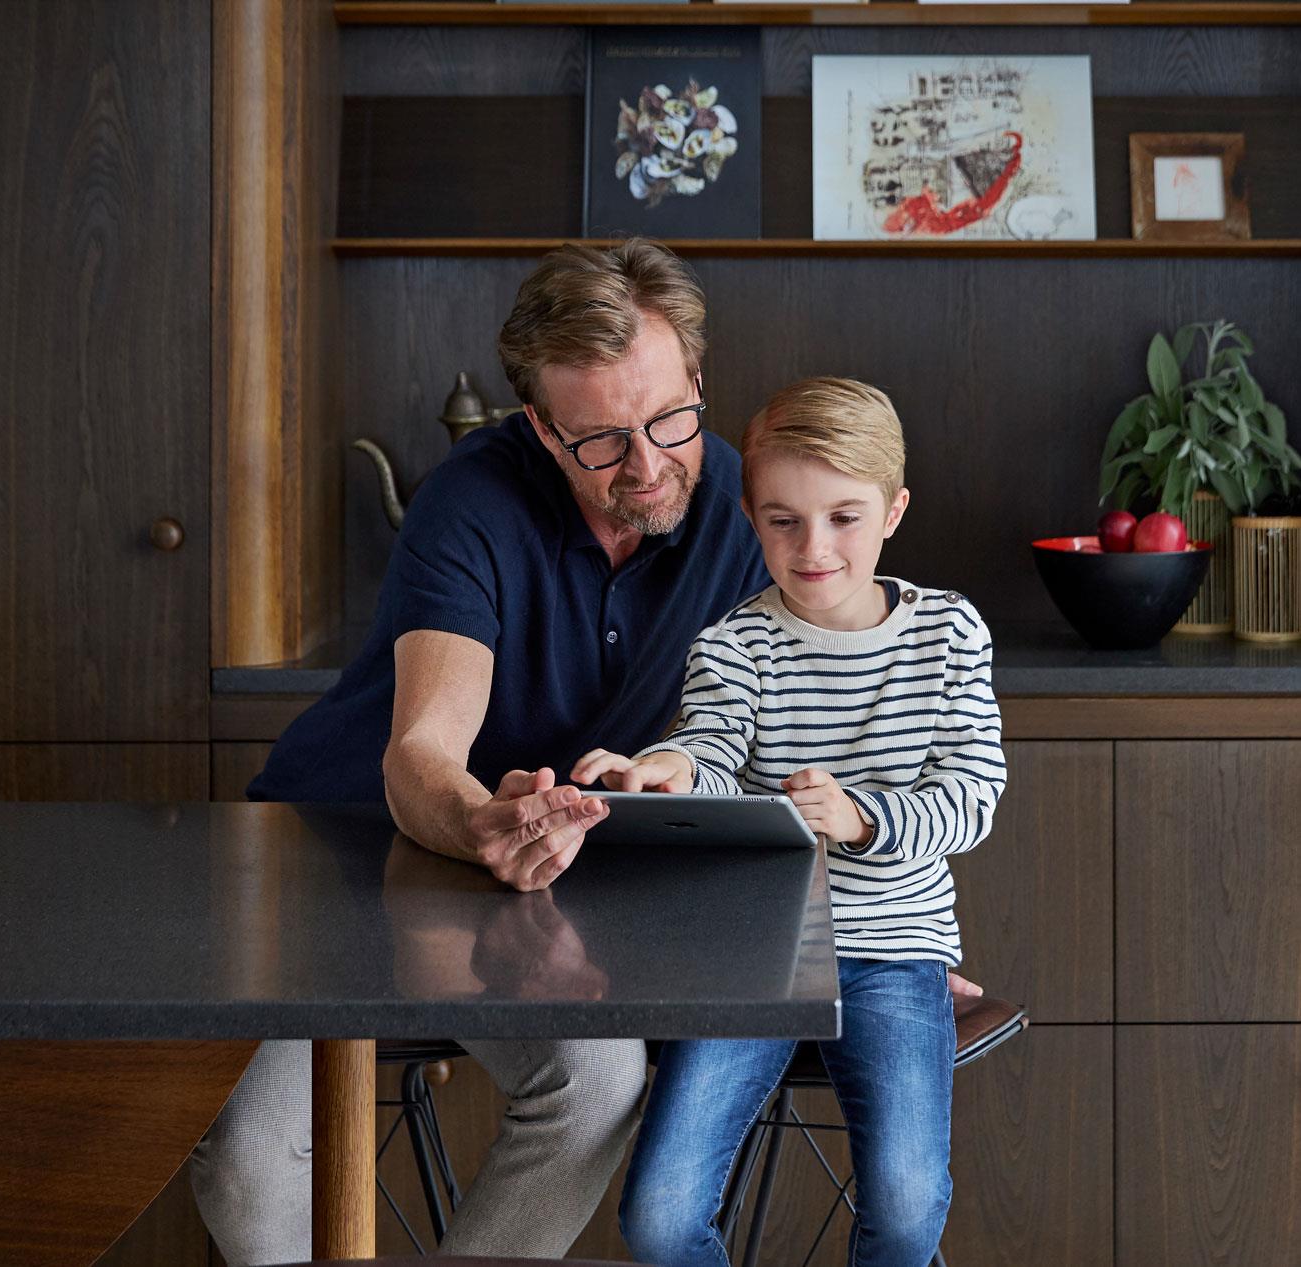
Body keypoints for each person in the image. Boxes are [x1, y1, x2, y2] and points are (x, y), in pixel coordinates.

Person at [191, 240, 772, 1265]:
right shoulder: (471, 499)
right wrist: (478, 820)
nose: (645, 466)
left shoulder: (742, 503)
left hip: (533, 886)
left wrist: (897, 931)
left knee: (597, 1084)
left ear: (697, 379)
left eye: (668, 419)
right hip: (335, 849)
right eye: (600, 440)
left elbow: (819, 712)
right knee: (246, 1158)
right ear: (541, 426)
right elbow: (422, 748)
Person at [573, 377, 1006, 1267]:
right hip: (754, 952)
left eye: (844, 517)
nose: (814, 548)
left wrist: (861, 817)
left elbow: (972, 796)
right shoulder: (734, 644)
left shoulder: (950, 634)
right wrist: (667, 767)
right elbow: (710, 746)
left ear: (893, 512)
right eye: (783, 521)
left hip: (895, 949)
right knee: (658, 1216)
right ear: (749, 518)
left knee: (907, 1206)